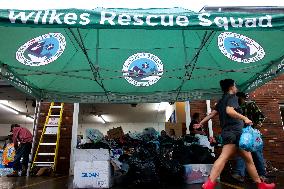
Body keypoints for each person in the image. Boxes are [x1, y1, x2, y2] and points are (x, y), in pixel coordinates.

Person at [194, 79, 275, 189]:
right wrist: (245, 118)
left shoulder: (222, 100)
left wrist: (200, 123)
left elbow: (212, 114)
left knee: (248, 159)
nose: (236, 88)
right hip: (235, 133)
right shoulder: (233, 98)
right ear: (231, 87)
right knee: (225, 157)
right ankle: (210, 182)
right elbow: (229, 111)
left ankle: (260, 184)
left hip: (231, 133)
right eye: (235, 85)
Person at [232, 92, 267, 182]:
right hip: (242, 133)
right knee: (242, 153)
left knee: (257, 154)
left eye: (237, 98)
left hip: (252, 133)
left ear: (242, 98)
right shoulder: (235, 108)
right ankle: (240, 174)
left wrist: (254, 127)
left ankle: (262, 174)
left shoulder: (250, 104)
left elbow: (261, 117)